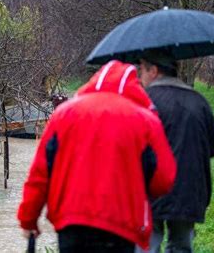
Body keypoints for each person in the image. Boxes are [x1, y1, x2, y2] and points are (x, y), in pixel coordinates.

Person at [17, 60, 177, 252]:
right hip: (121, 224)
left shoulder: (63, 114)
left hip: (71, 223)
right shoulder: (146, 120)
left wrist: (29, 219)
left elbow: (40, 175)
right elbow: (164, 180)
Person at [137, 52, 214, 253]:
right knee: (181, 246)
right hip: (190, 189)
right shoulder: (198, 101)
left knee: (147, 244)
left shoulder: (143, 102)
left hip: (149, 189)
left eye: (142, 69)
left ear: (154, 71)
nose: (140, 75)